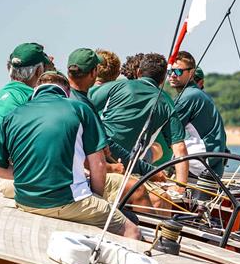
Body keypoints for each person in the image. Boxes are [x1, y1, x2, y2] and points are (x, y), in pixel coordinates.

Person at [0, 75, 141, 240]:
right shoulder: (80, 109)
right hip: (67, 201)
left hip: (25, 201)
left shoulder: (13, 115)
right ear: (67, 91)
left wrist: (23, 175)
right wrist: (98, 199)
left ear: (36, 91)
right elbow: (99, 164)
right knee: (133, 231)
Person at [65, 48, 171, 213]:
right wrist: (117, 169)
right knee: (155, 198)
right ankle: (144, 238)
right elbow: (93, 154)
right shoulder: (83, 106)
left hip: (68, 175)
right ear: (94, 72)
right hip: (76, 180)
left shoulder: (67, 97)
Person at [89, 52, 188, 197]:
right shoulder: (166, 102)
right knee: (160, 198)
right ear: (162, 80)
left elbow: (83, 104)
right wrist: (180, 187)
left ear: (138, 72)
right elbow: (179, 148)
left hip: (94, 157)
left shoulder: (117, 86)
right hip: (126, 166)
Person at [0, 42, 50, 196]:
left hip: (4, 179)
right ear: (39, 70)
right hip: (29, 180)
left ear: (10, 69)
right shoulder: (35, 98)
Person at [168, 52, 227, 177]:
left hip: (204, 159)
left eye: (178, 71)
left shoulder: (189, 96)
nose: (172, 75)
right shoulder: (193, 93)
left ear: (191, 73)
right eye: (170, 71)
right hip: (213, 159)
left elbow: (167, 131)